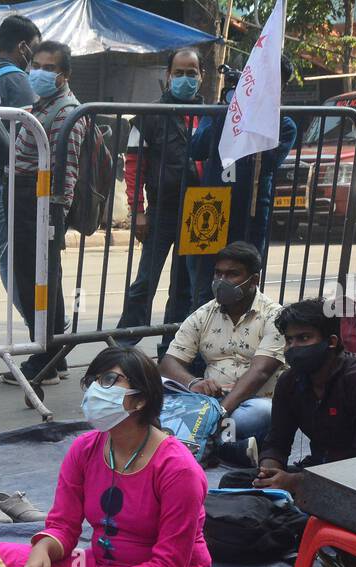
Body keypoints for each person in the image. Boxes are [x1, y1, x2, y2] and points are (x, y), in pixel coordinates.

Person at [0, 346, 227, 567]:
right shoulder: (84, 449)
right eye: (94, 380)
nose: (98, 389)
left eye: (110, 380)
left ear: (141, 399)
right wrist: (42, 548)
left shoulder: (178, 469)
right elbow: (63, 525)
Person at [254, 299, 356, 496]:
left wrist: (294, 482)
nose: (293, 347)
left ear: (332, 342)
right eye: (289, 340)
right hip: (319, 471)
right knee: (235, 481)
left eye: (304, 338)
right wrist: (268, 474)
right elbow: (276, 442)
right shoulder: (289, 381)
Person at [157, 241, 285, 466]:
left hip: (250, 403)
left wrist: (221, 411)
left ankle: (201, 444)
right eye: (218, 273)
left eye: (232, 274)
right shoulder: (204, 314)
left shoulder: (275, 317)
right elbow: (169, 362)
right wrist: (193, 382)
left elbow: (261, 372)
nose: (222, 281)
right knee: (153, 394)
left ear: (254, 280)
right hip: (207, 402)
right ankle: (224, 448)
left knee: (262, 413)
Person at [2, 40, 84, 387]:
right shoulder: (41, 104)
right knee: (46, 280)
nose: (38, 72)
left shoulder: (66, 112)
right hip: (26, 198)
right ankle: (54, 353)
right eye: (35, 64)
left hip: (41, 204)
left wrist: (55, 214)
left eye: (48, 68)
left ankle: (45, 358)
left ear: (63, 74)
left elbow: (68, 168)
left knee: (37, 280)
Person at [188, 55, 298, 307]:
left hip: (251, 212)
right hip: (210, 207)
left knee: (243, 285)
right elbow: (196, 148)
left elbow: (268, 161)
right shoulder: (219, 110)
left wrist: (254, 120)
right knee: (203, 288)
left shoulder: (284, 123)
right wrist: (229, 112)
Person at [115, 47, 203, 349]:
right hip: (161, 211)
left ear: (201, 76)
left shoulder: (211, 116)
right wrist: (137, 211)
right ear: (168, 76)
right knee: (144, 283)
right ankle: (123, 346)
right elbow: (133, 165)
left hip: (199, 213)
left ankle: (172, 350)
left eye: (191, 73)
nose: (185, 78)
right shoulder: (149, 116)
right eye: (179, 73)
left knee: (184, 287)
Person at [0, 14, 40, 284]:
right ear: (23, 47)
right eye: (35, 48)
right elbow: (28, 139)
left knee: (11, 264)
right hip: (5, 182)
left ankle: (46, 325)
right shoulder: (18, 81)